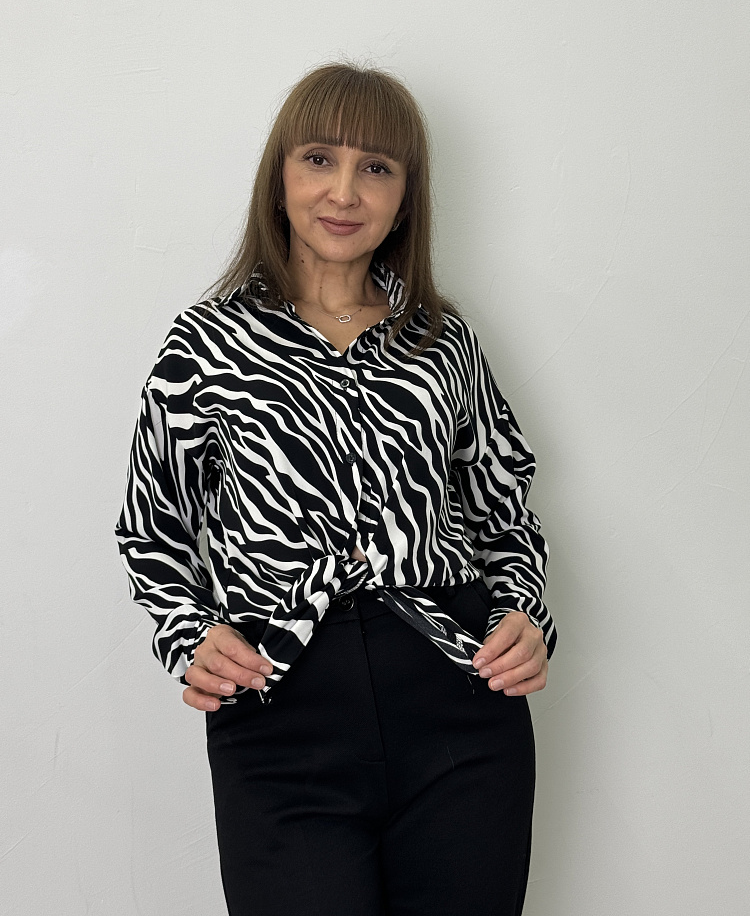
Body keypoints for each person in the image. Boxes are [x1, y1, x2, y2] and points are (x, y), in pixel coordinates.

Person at [114, 61, 557, 916]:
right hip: (280, 704)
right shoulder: (206, 343)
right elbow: (152, 525)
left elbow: (504, 508)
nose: (344, 192)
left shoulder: (443, 342)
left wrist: (523, 615)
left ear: (405, 197)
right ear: (280, 176)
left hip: (458, 698)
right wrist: (187, 632)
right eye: (319, 158)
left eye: (376, 167)